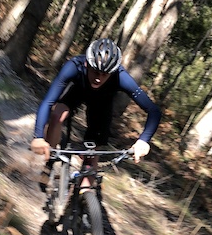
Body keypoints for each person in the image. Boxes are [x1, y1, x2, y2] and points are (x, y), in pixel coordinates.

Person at [31, 37, 161, 189]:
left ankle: (84, 197)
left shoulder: (120, 77)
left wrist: (143, 140)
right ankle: (50, 160)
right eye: (95, 71)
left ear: (112, 73)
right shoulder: (74, 66)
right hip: (77, 92)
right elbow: (48, 102)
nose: (99, 78)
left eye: (105, 74)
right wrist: (38, 137)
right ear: (87, 64)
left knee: (93, 151)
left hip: (102, 104)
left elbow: (153, 110)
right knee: (57, 114)